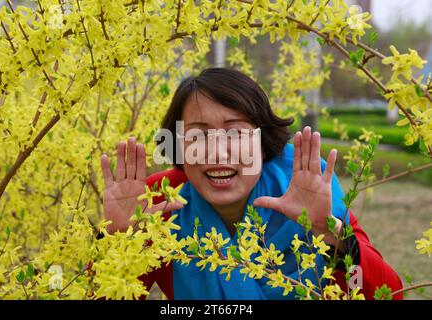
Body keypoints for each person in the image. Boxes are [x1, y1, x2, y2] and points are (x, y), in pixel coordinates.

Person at [100, 68, 403, 300]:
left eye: (236, 134)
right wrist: (119, 244)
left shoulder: (309, 193)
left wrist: (333, 235)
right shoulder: (158, 204)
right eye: (198, 135)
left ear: (262, 142)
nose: (218, 152)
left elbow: (390, 293)